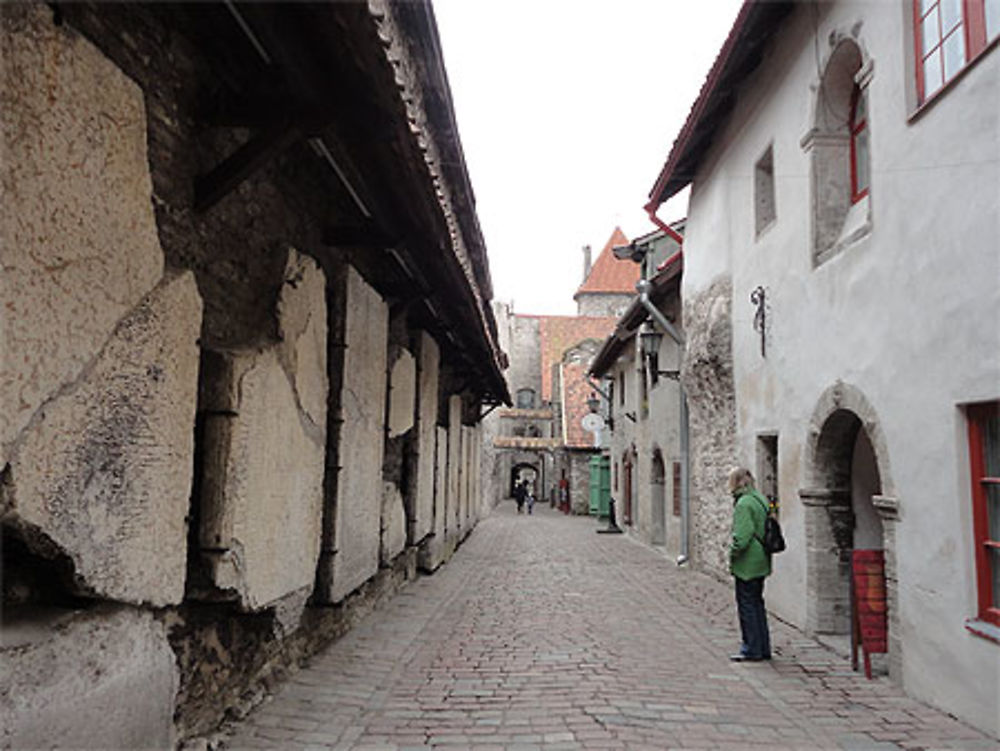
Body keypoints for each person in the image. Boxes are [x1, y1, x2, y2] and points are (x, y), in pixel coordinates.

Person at [727, 466, 772, 662]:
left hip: (748, 562)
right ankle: (763, 647)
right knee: (757, 604)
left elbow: (743, 537)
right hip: (762, 558)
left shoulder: (744, 503)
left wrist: (732, 553)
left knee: (747, 606)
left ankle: (751, 648)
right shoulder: (759, 499)